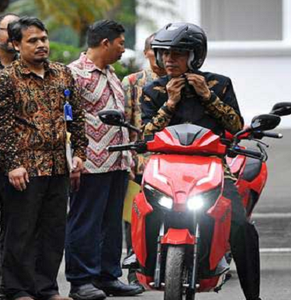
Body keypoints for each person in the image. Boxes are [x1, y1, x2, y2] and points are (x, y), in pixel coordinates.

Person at [140, 22, 261, 300]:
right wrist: (170, 102)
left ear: (196, 56)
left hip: (213, 165)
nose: (169, 59)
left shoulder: (219, 83)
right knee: (143, 209)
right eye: (164, 53)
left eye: (178, 54)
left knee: (242, 226)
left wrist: (208, 97)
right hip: (165, 166)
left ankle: (253, 295)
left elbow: (234, 124)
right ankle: (140, 262)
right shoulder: (154, 90)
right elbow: (148, 134)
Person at [0, 16, 87, 300]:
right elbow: (1, 125)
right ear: (17, 44)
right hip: (24, 168)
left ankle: (46, 288)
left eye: (43, 39)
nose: (41, 45)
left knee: (53, 230)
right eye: (32, 40)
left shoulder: (62, 74)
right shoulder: (5, 79)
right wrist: (13, 164)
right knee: (20, 231)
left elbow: (77, 117)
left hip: (59, 165)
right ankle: (15, 289)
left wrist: (80, 154)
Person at [65, 20, 142, 300]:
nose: (124, 49)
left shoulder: (111, 74)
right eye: (121, 43)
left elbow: (121, 120)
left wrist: (129, 157)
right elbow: (67, 120)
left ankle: (108, 277)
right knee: (85, 222)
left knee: (111, 223)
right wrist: (74, 158)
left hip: (118, 161)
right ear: (106, 43)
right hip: (90, 163)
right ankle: (80, 281)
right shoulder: (73, 74)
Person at [121, 32, 166, 286]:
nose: (163, 58)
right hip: (140, 162)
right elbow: (125, 123)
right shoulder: (132, 82)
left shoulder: (184, 82)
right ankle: (135, 271)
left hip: (173, 162)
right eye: (157, 51)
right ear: (147, 52)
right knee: (135, 217)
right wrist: (127, 160)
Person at [0, 12, 19, 292]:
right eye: (7, 29)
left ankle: (9, 286)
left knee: (17, 226)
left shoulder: (30, 69)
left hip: (19, 163)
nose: (13, 34)